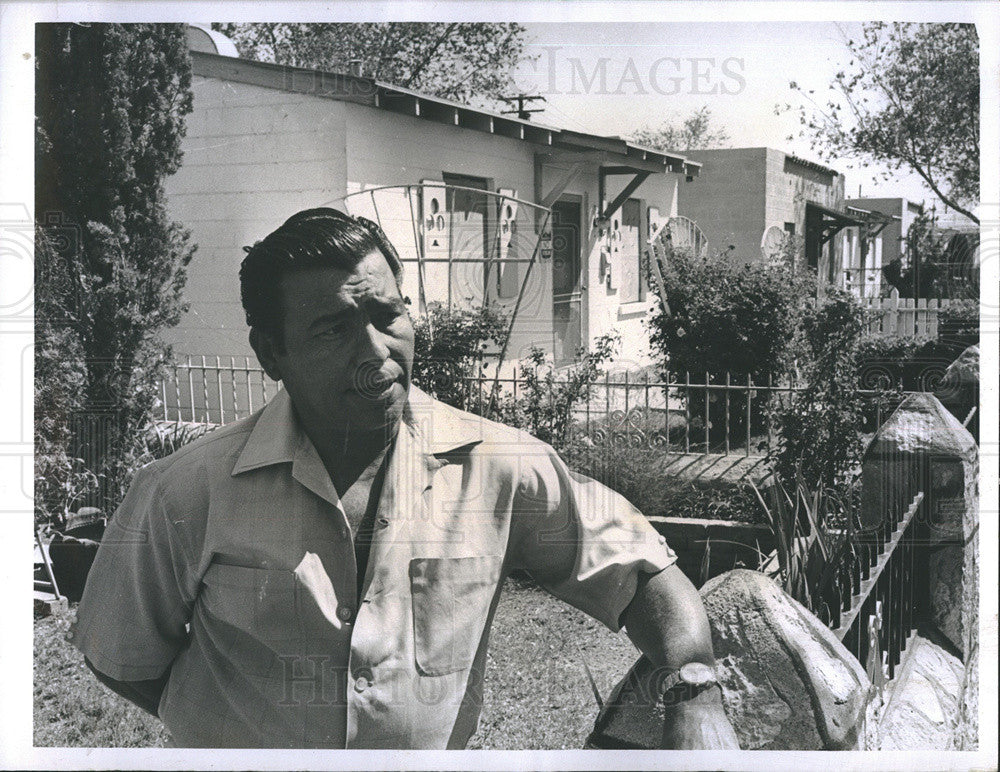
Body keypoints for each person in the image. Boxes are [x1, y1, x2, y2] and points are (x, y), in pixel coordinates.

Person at [72, 208, 739, 750]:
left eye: (388, 316)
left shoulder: (500, 468)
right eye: (334, 328)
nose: (375, 350)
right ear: (271, 353)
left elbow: (644, 574)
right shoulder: (183, 492)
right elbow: (121, 655)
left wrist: (695, 689)